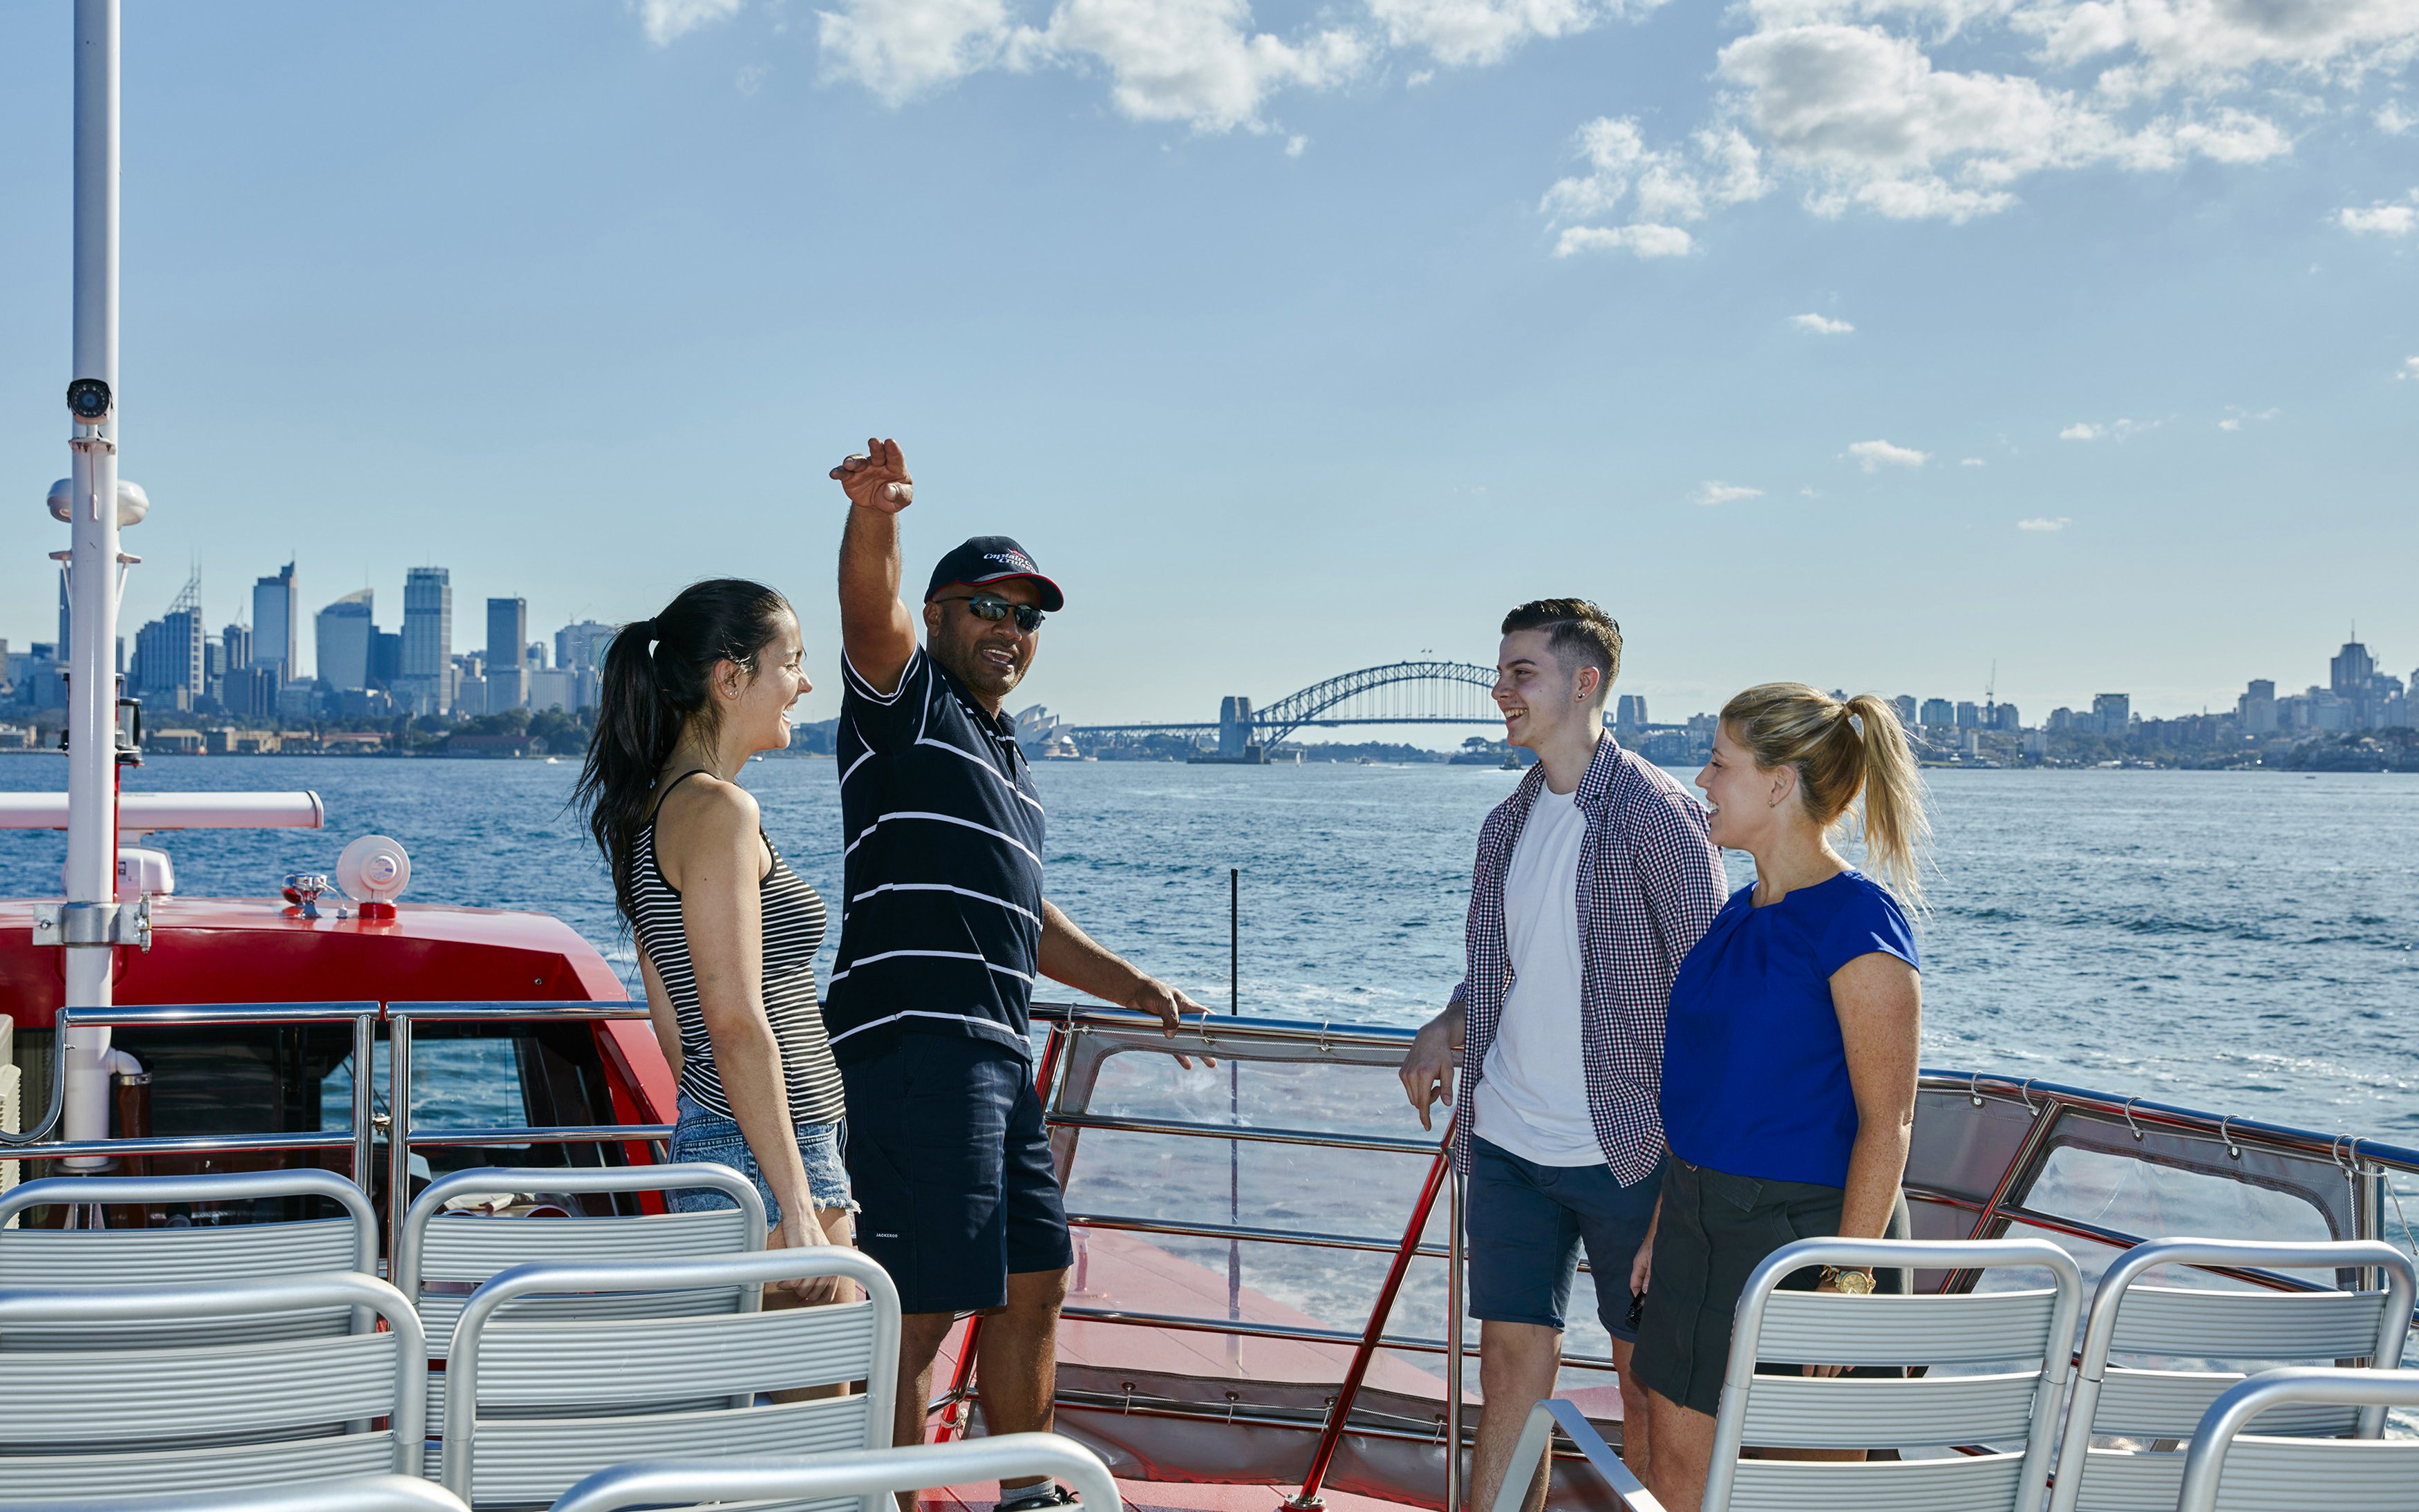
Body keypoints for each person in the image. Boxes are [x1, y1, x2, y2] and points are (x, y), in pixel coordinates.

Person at [826, 437, 1208, 1509]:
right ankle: (888, 1501)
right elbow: (867, 614)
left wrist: (1134, 986)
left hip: (996, 1054)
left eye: (1028, 618)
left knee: (1036, 1281)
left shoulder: (1006, 755)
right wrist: (879, 517)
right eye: (989, 608)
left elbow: (1023, 915)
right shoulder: (903, 711)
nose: (1011, 631)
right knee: (915, 1310)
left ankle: (1024, 1495)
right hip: (913, 1045)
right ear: (939, 617)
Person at [1399, 598, 1726, 1511]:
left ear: (1586, 683)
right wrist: (1449, 1022)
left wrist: (1688, 1182)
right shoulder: (1504, 826)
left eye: (1521, 673)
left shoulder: (1661, 819)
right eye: (1500, 671)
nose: (1498, 690)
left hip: (1630, 1154)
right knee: (1509, 1379)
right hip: (1506, 1144)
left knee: (1646, 1393)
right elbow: (1512, 973)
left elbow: (1714, 1002)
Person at [1628, 683, 1927, 1512]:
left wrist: (1847, 1281)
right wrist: (1663, 1220)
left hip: (1809, 1241)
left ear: (1777, 782)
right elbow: (1708, 1087)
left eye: (1719, 763)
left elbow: (1888, 1122)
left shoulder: (1857, 924)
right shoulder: (1735, 914)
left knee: (1808, 1490)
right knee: (1672, 1468)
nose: (1700, 780)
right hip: (1694, 1223)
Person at [574, 579, 853, 1306]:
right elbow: (731, 1023)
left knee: (785, 1403)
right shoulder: (718, 810)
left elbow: (674, 1030)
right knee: (829, 1409)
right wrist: (794, 1200)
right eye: (790, 662)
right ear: (731, 678)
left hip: (733, 1143)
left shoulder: (648, 812)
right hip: (767, 1158)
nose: (804, 682)